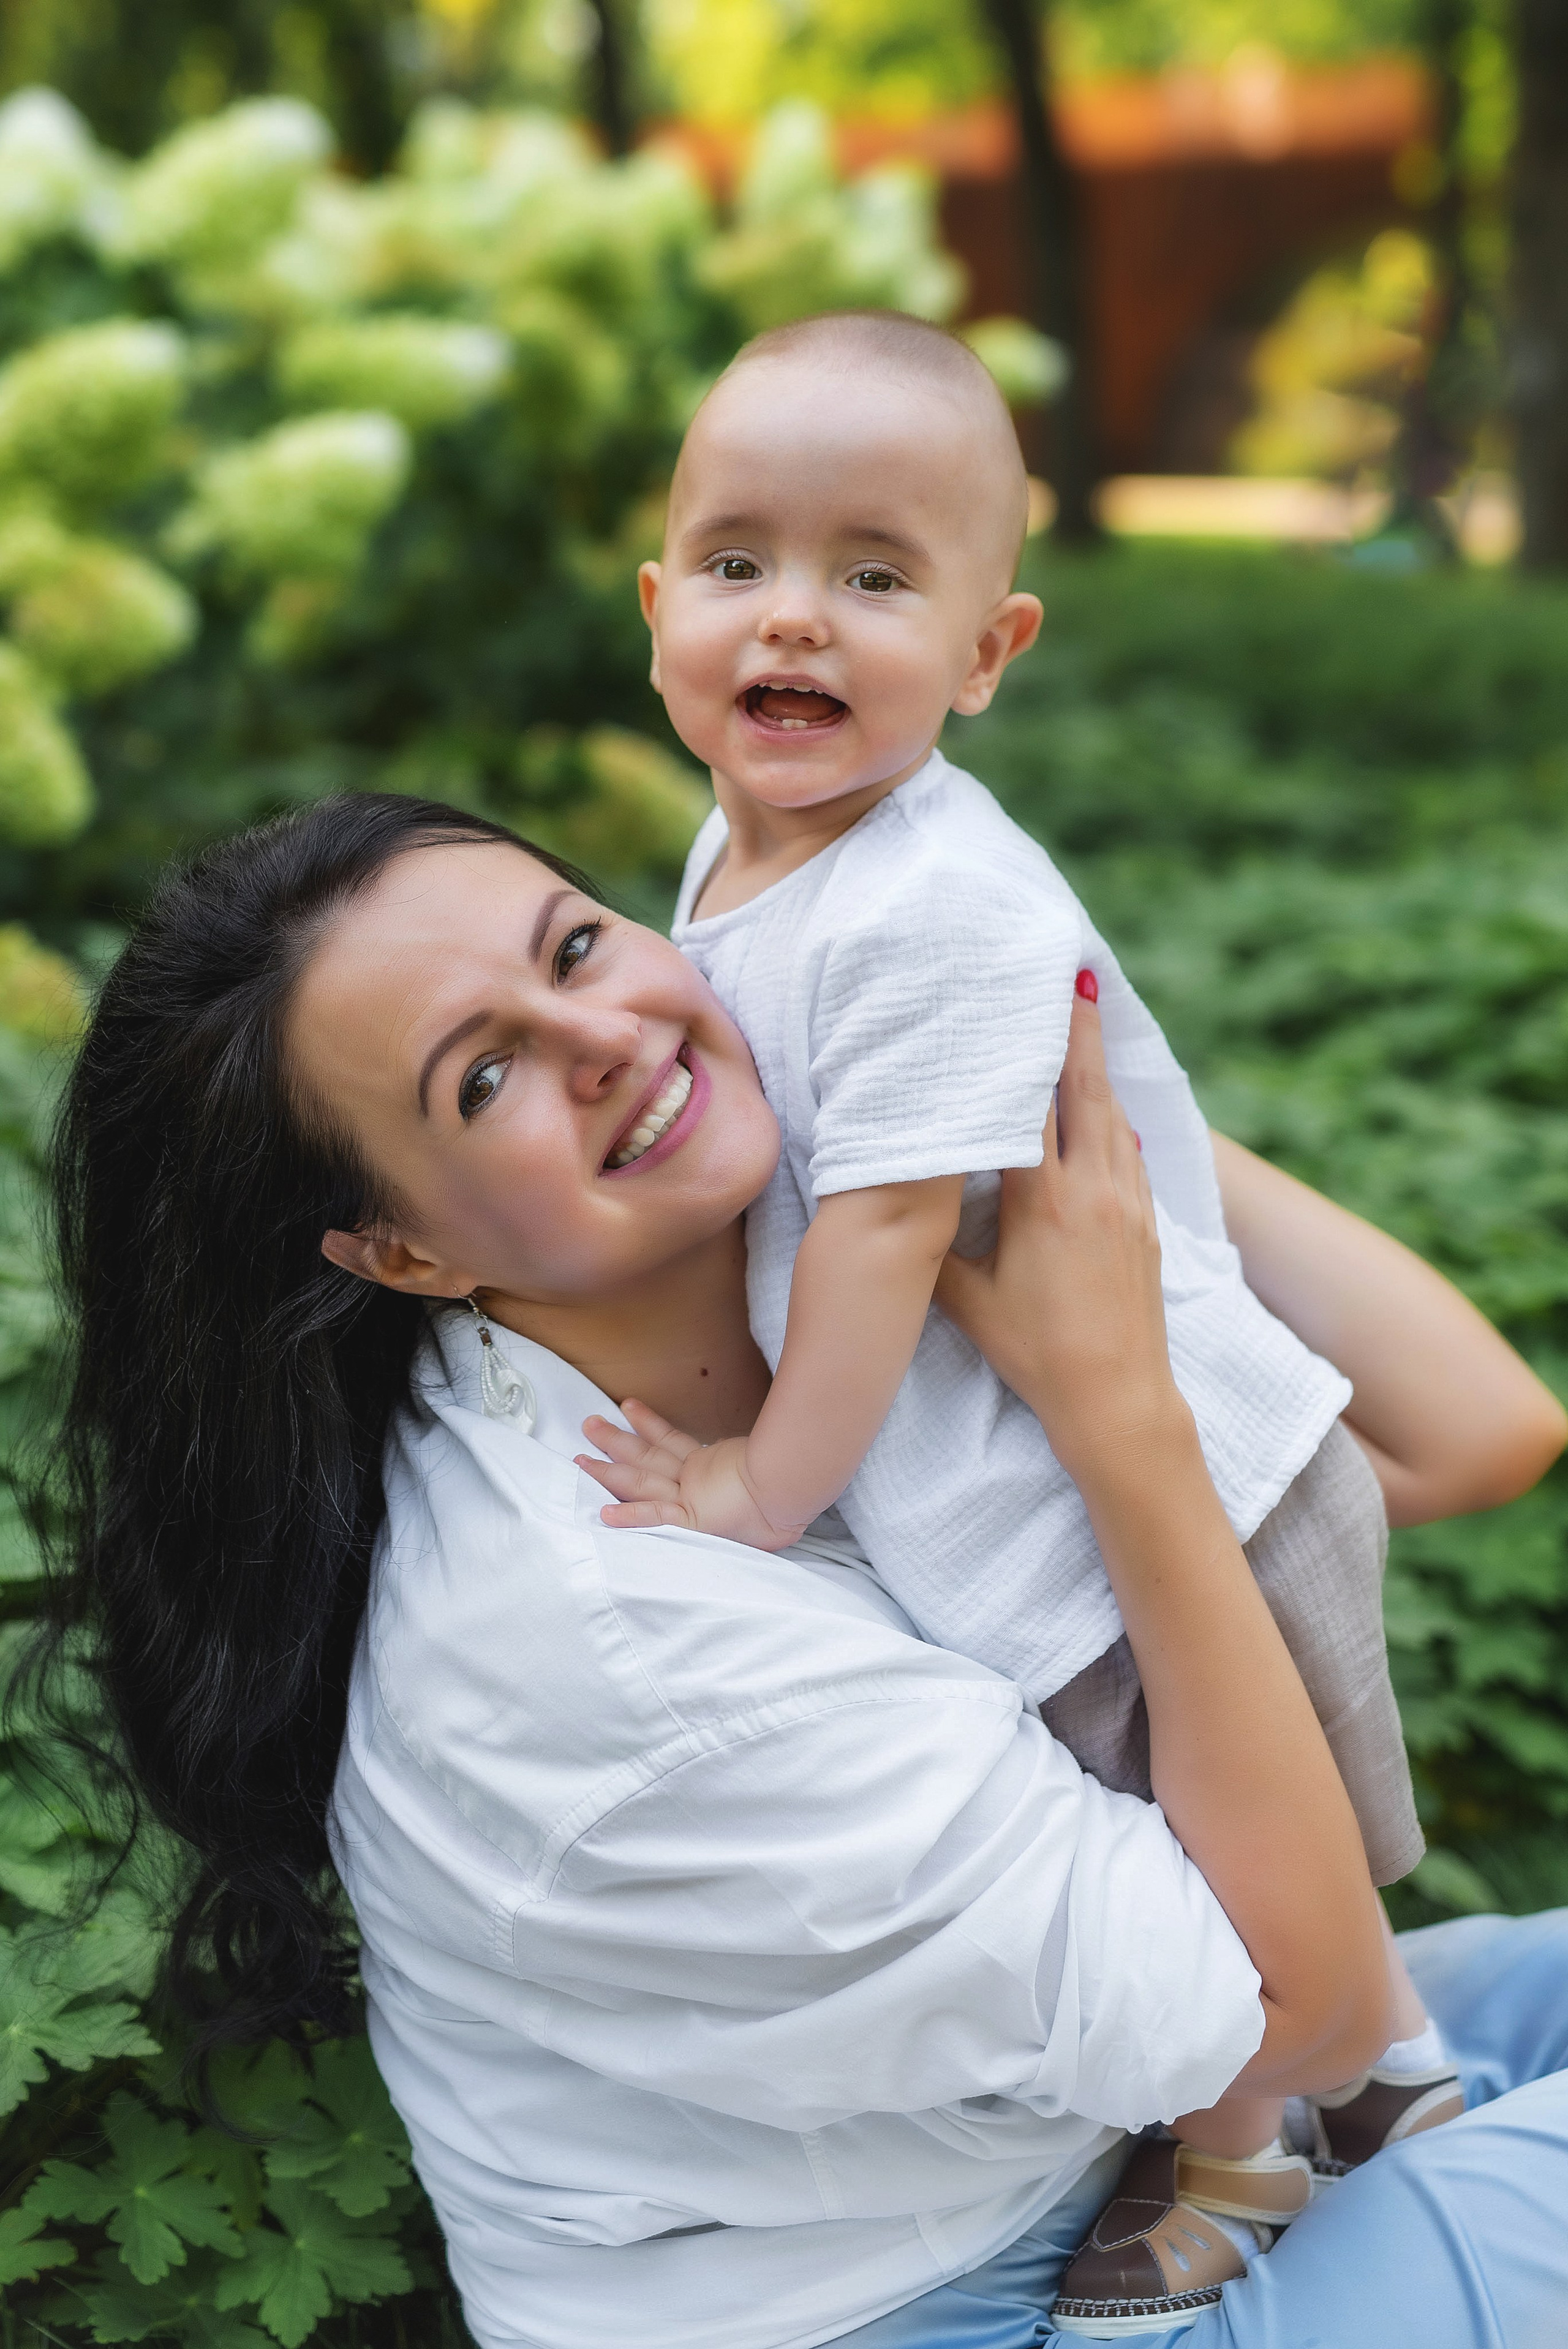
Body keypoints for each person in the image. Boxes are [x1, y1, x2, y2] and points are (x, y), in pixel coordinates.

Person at [45, 794, 1568, 2349]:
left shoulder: (817, 1325)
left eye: (577, 944)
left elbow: (1473, 1431)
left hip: (1113, 2128)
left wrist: (985, 1075)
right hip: (966, 2297)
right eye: (485, 1075)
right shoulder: (622, 1638)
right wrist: (1123, 1418)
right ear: (401, 1253)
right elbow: (1292, 2011)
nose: (604, 1039)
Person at [601, 307, 1479, 2299]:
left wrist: (753, 1488)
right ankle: (1402, 2078)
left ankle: (1247, 2148)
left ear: (991, 654)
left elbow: (877, 1245)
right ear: (660, 609)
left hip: (1151, 1496)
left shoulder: (926, 901)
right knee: (1259, 1827)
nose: (793, 623)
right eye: (741, 564)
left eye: (876, 577)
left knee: (1195, 1840)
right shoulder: (752, 840)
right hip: (1084, 1466)